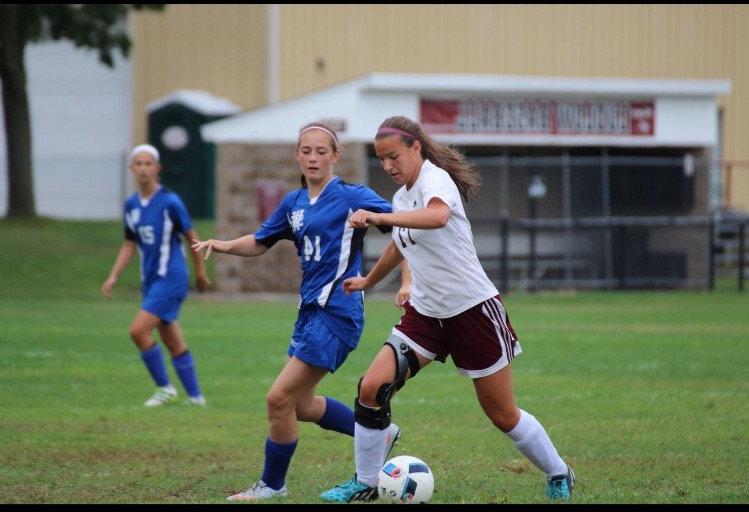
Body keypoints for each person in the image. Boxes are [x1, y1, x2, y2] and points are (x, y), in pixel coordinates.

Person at [320, 115, 576, 503]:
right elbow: (401, 242)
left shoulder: (434, 179)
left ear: (415, 148)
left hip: (473, 311)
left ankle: (559, 472)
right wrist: (370, 281)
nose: (388, 166)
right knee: (372, 388)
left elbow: (437, 217)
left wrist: (378, 217)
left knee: (502, 414)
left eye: (394, 157)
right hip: (426, 314)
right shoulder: (402, 198)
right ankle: (366, 482)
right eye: (382, 160)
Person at [191, 121, 404, 501]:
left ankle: (272, 484)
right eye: (306, 151)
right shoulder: (293, 203)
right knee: (301, 405)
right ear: (297, 155)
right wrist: (223, 245)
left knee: (278, 399)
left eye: (321, 151)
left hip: (338, 312)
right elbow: (260, 242)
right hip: (309, 313)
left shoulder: (352, 196)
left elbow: (405, 229)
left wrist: (404, 279)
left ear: (335, 156)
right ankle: (378, 432)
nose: (313, 158)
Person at [101, 143, 211, 407]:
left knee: (138, 331)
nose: (142, 168)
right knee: (172, 340)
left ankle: (165, 388)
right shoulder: (131, 205)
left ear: (157, 168)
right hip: (150, 280)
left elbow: (191, 236)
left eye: (147, 163)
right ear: (131, 168)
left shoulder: (169, 201)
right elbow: (129, 243)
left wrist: (200, 272)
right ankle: (196, 399)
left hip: (171, 278)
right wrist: (114, 275)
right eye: (138, 163)